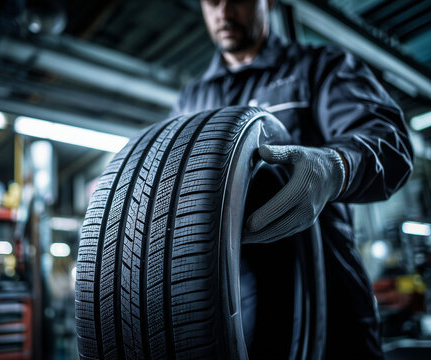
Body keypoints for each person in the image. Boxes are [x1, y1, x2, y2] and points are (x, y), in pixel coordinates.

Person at [172, 0, 414, 358]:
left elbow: (389, 143)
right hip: (226, 303)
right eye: (212, 1)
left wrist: (335, 167)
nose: (223, 12)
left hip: (329, 296)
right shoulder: (191, 100)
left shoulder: (321, 66)